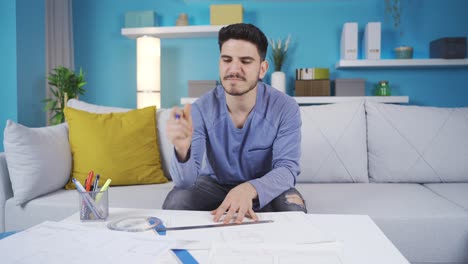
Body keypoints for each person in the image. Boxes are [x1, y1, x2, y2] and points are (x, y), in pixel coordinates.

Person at [163, 23, 306, 224]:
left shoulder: (285, 107)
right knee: (176, 201)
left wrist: (249, 188)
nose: (234, 69)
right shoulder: (199, 109)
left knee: (294, 209)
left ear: (262, 68)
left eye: (246, 61)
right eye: (226, 60)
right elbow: (185, 182)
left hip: (264, 186)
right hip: (214, 185)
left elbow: (287, 169)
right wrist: (182, 150)